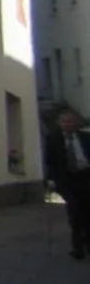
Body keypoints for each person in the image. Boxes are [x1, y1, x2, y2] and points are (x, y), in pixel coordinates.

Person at [44, 108, 90, 261]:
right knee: (74, 212)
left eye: (69, 121)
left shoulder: (85, 138)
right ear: (59, 123)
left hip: (86, 176)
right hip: (68, 179)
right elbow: (49, 161)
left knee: (87, 212)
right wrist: (52, 181)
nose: (67, 124)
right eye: (63, 121)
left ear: (75, 123)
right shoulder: (53, 139)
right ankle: (77, 248)